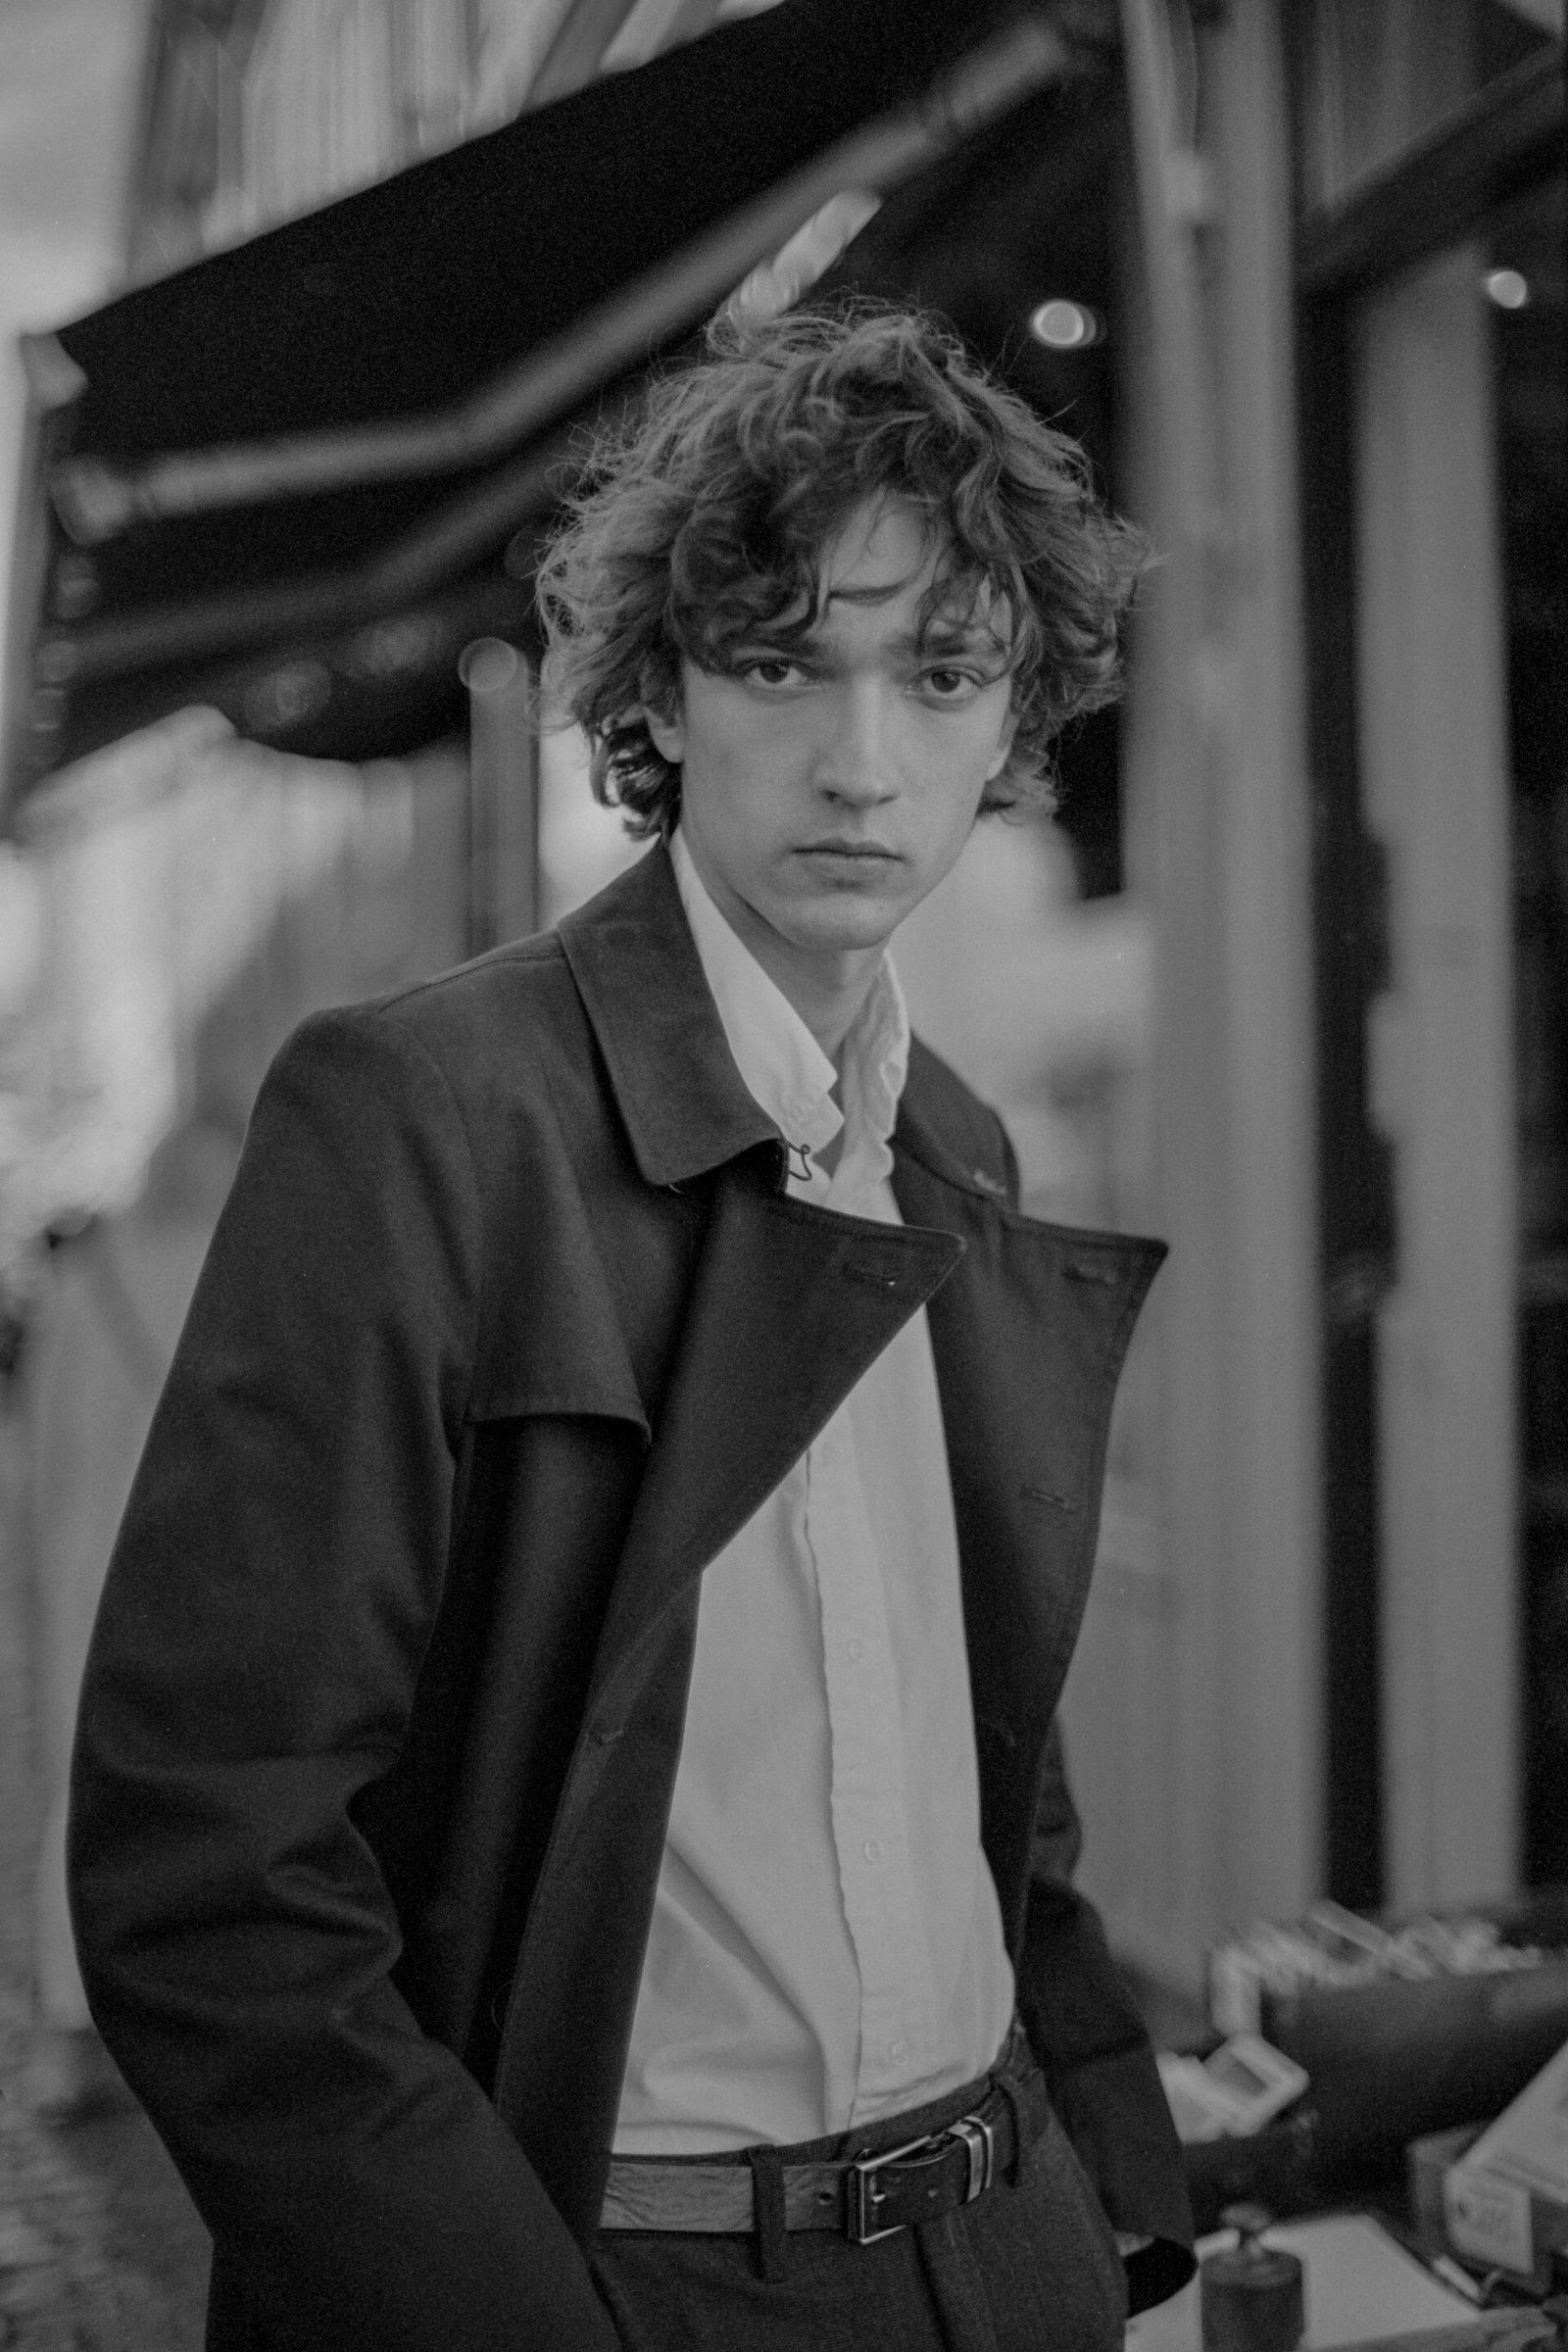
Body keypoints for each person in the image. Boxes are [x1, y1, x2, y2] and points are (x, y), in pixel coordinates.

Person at [69, 304, 1195, 2352]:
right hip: (637, 2284)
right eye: (781, 663)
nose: (862, 761)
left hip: (1006, 2246)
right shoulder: (426, 1115)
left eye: (941, 675)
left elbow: (990, 1767)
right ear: (660, 693)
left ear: (1013, 719)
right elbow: (212, 1878)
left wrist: (1106, 2179)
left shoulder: (952, 1143)